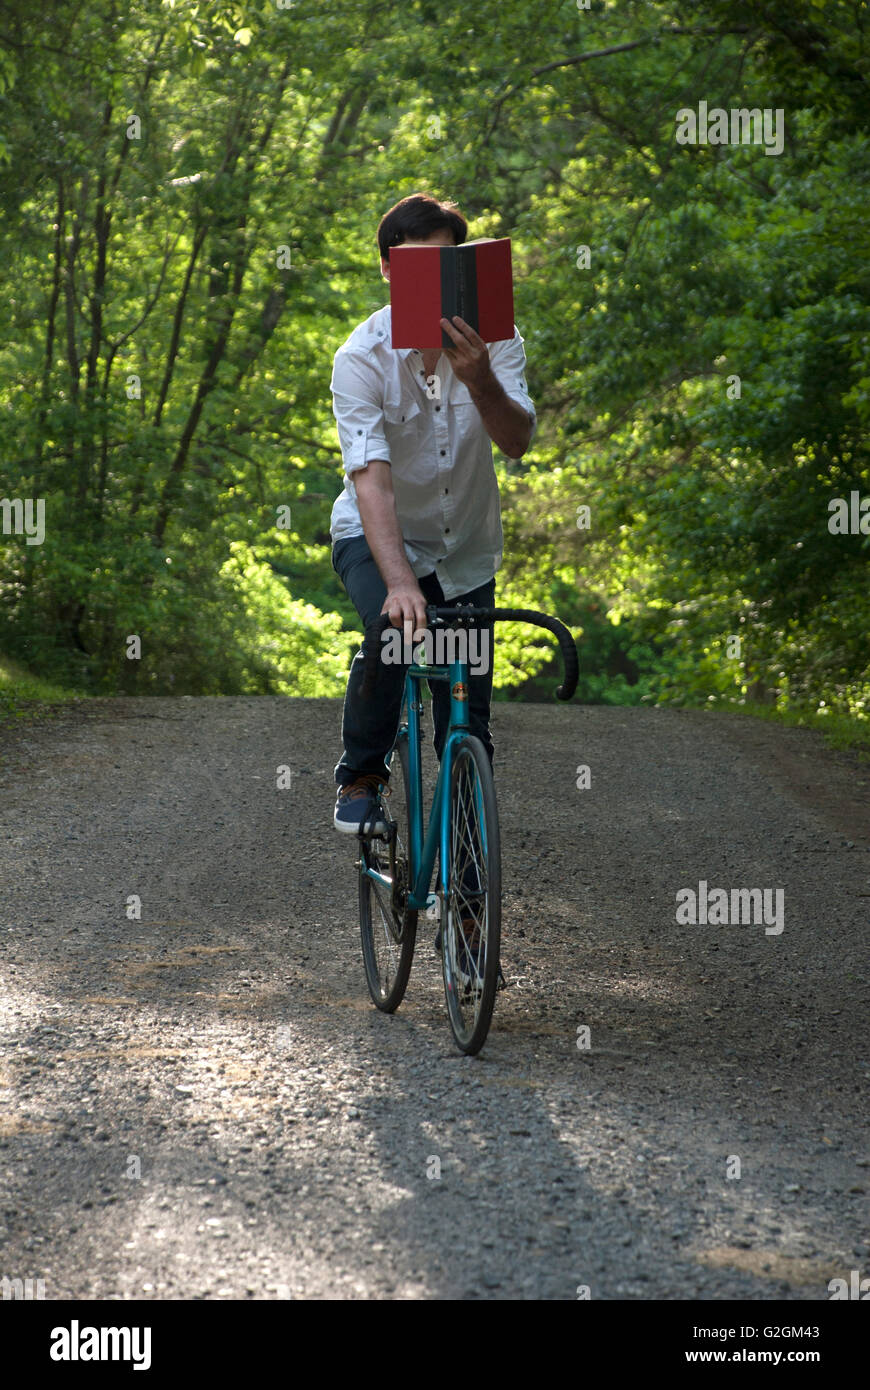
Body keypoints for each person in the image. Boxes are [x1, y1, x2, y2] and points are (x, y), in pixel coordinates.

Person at [329, 193, 536, 843]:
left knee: (467, 728)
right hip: (378, 535)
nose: (433, 277)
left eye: (448, 264)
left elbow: (518, 440)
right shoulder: (359, 358)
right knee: (392, 631)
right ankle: (361, 776)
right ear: (390, 270)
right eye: (418, 265)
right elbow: (372, 481)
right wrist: (398, 582)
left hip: (466, 551)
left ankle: (470, 900)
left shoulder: (495, 340)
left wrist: (481, 381)